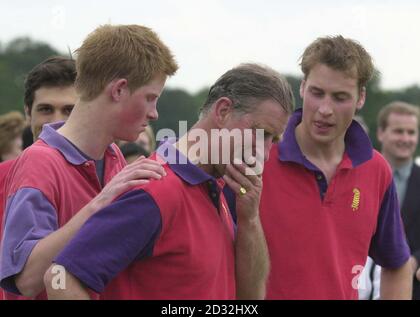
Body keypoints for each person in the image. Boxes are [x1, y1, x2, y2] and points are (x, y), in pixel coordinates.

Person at [43, 63, 294, 300]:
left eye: (273, 139)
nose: (265, 152)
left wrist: (249, 219)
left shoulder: (217, 189)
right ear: (223, 111)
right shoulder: (155, 190)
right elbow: (60, 278)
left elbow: (249, 298)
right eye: (261, 133)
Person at [0, 24, 178, 299]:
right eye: (150, 98)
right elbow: (26, 279)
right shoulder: (39, 162)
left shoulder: (114, 156)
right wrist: (100, 204)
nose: (154, 113)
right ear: (119, 90)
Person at [259, 35, 412, 300]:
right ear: (303, 87)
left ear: (360, 97)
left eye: (340, 97)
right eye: (317, 93)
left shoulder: (376, 170)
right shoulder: (257, 156)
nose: (325, 109)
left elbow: (397, 263)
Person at [0, 56, 78, 300]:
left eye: (68, 110)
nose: (56, 120)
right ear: (27, 113)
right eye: (45, 109)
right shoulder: (3, 176)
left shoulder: (106, 175)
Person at [360, 101, 420, 299]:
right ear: (381, 133)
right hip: (355, 285)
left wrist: (415, 260)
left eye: (411, 132)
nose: (405, 138)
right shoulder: (357, 176)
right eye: (398, 131)